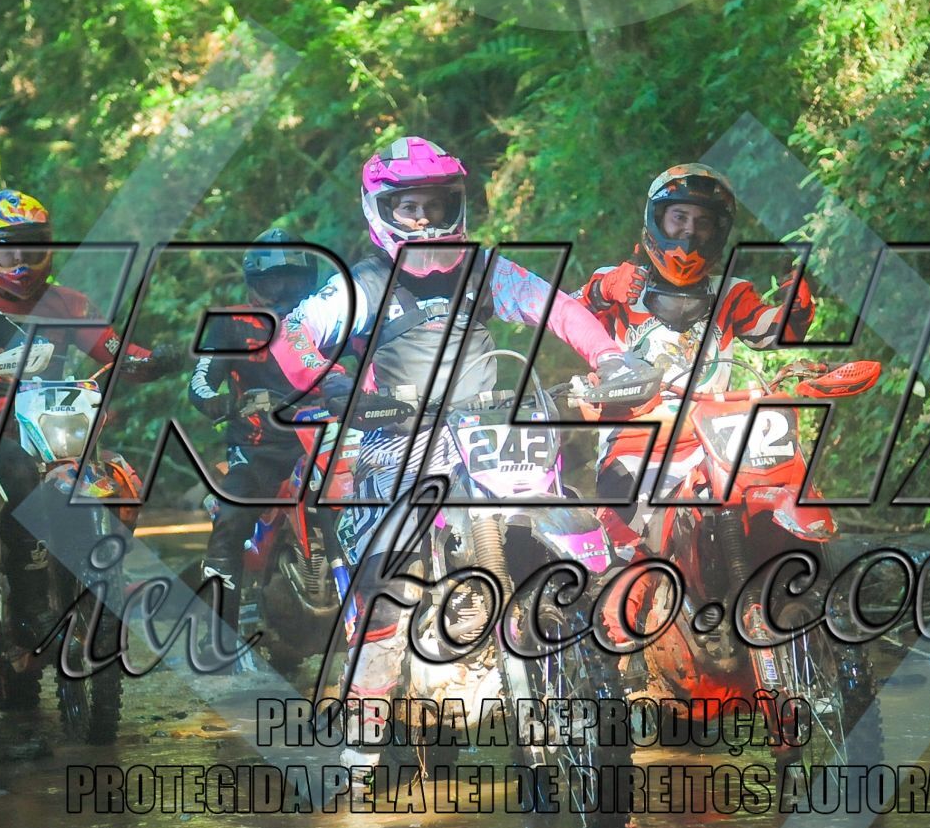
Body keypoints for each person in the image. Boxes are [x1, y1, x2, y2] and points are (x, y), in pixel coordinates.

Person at [275, 136, 652, 755]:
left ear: (457, 204)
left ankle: (597, 651)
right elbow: (293, 336)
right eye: (408, 208)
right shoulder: (361, 283)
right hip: (397, 436)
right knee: (387, 587)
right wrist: (333, 381)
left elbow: (555, 308)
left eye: (435, 205)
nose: (424, 219)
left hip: (487, 429)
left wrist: (610, 358)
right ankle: (361, 746)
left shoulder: (484, 269)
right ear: (381, 211)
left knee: (573, 524)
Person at [0, 189, 174, 676]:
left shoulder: (67, 302)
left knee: (118, 481)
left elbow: (113, 348)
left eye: (30, 248)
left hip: (54, 428)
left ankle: (98, 578)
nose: (19, 260)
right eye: (6, 250)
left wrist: (152, 360)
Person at [579, 162, 813, 503]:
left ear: (717, 231)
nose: (690, 231)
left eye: (702, 222)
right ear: (658, 219)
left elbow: (773, 332)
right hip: (635, 444)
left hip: (717, 443)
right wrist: (600, 292)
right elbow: (563, 318)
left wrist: (797, 310)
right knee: (627, 530)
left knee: (770, 502)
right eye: (679, 217)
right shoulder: (619, 282)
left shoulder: (730, 292)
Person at [187, 229, 331, 633]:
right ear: (253, 284)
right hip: (256, 448)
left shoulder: (327, 317)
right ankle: (219, 634)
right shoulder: (231, 323)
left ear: (309, 282)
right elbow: (201, 379)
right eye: (272, 283)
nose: (283, 291)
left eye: (293, 281)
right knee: (231, 518)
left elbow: (367, 362)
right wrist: (215, 402)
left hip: (324, 440)